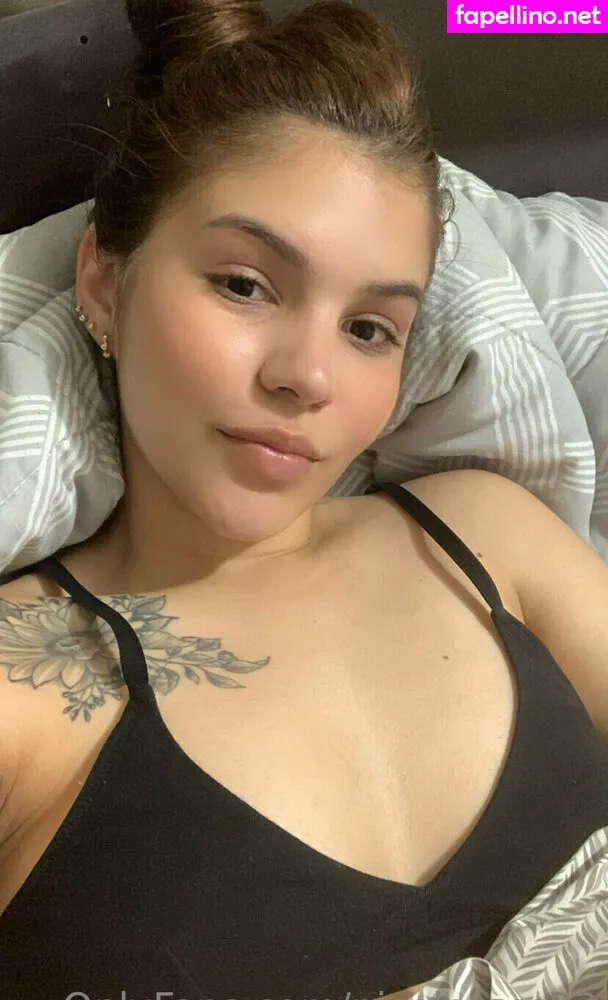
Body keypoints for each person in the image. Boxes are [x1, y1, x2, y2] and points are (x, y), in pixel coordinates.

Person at [0, 0, 607, 998]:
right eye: (245, 284)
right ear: (104, 281)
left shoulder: (485, 536)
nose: (308, 377)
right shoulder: (20, 685)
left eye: (370, 328)